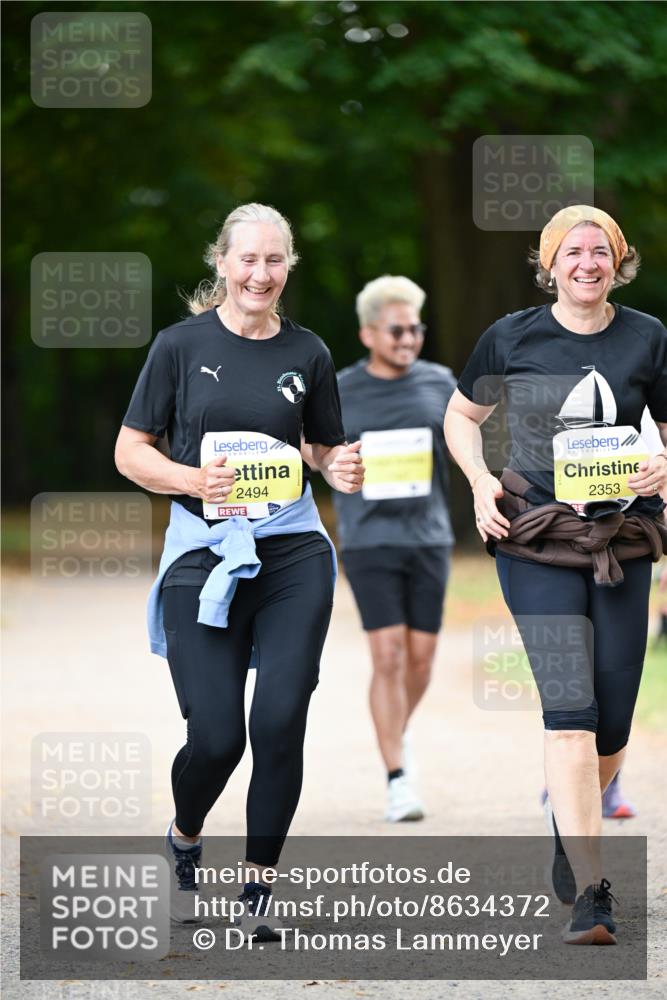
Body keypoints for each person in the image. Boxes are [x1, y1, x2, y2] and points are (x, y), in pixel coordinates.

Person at [115, 203, 364, 935]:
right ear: (221, 263)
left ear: (288, 267)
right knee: (217, 736)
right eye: (246, 259)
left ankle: (257, 889)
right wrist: (191, 481)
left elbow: (320, 448)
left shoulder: (309, 352)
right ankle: (185, 832)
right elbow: (131, 452)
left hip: (292, 550)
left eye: (274, 260)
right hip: (205, 553)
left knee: (280, 718)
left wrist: (339, 465)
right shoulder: (178, 346)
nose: (260, 274)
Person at [444, 205, 667, 945]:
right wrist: (479, 483)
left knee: (610, 719)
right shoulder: (510, 335)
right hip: (534, 542)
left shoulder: (646, 336)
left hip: (621, 542)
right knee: (568, 712)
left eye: (598, 251)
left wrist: (662, 462)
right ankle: (592, 891)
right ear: (549, 264)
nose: (585, 263)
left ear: (617, 260)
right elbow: (459, 416)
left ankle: (567, 823)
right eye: (571, 252)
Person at [332, 275, 456, 822]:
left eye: (417, 329)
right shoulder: (339, 389)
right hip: (369, 539)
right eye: (397, 329)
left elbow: (469, 442)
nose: (409, 339)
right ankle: (397, 776)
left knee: (422, 661)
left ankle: (392, 735)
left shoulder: (441, 382)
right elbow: (318, 452)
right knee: (387, 654)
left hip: (429, 538)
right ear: (368, 333)